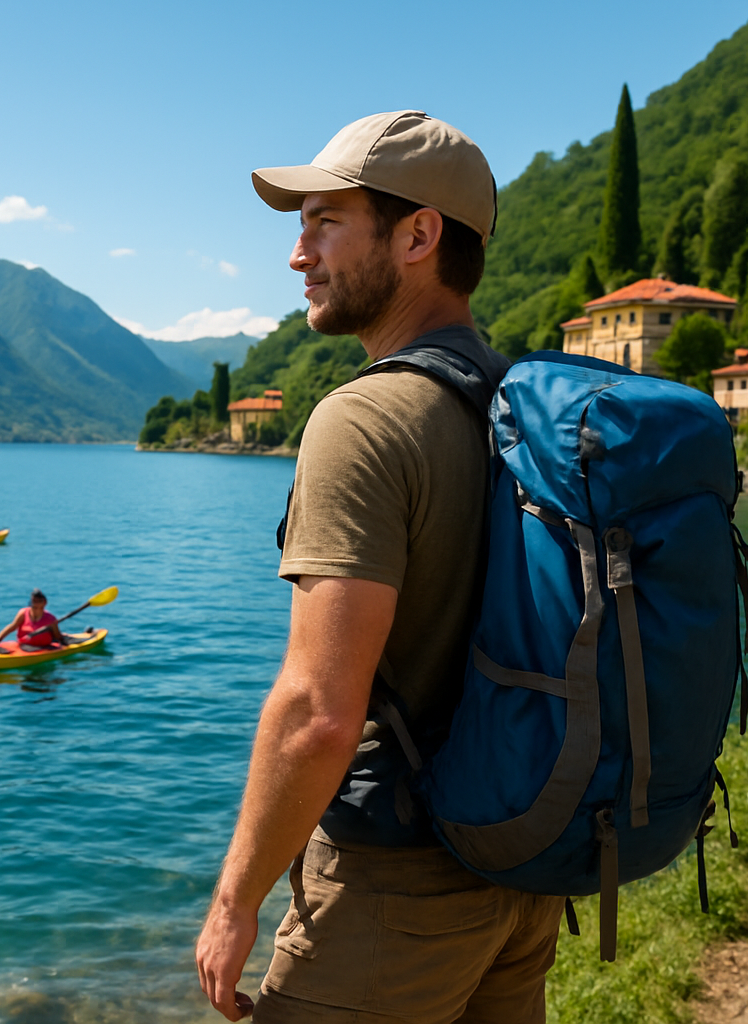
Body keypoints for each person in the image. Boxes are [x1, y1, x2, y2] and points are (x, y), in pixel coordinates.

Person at [195, 111, 558, 1023]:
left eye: (324, 221)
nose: (296, 253)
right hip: (522, 867)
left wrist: (236, 899)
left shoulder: (364, 421)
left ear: (418, 236)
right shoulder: (518, 407)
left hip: (396, 894)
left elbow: (318, 712)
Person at [0, 589, 70, 649]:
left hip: (43, 648)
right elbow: (11, 627)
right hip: (24, 647)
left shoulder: (50, 619)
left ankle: (66, 635)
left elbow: (57, 636)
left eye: (38, 602)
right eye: (34, 601)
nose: (35, 604)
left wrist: (62, 640)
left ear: (44, 603)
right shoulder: (23, 613)